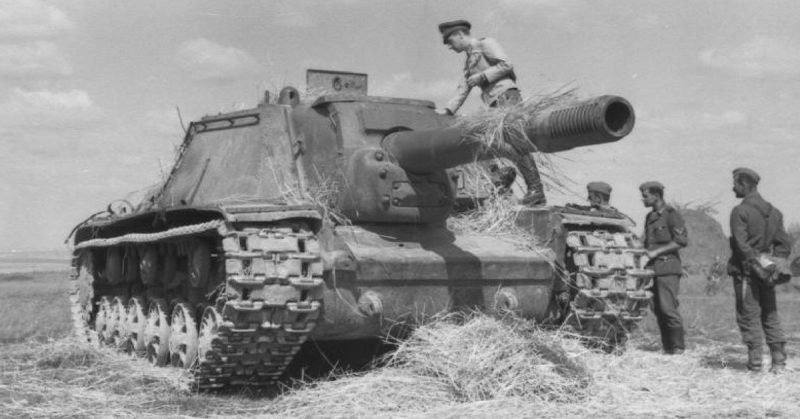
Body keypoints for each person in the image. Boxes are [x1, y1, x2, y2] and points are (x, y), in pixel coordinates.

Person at [436, 19, 546, 206]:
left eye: (450, 41)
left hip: (506, 97)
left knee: (516, 142)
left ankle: (536, 190)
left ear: (460, 35)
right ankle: (507, 179)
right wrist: (447, 111)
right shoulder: (470, 60)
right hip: (495, 103)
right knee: (502, 145)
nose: (449, 47)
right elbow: (463, 89)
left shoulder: (485, 44)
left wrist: (482, 76)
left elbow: (506, 64)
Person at [727, 167, 792, 373]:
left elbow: (741, 244)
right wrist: (773, 265)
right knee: (770, 315)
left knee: (749, 316)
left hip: (747, 272)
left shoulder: (740, 211)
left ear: (744, 185)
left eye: (735, 184)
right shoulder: (775, 213)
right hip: (767, 273)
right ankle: (779, 362)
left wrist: (754, 265)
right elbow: (783, 244)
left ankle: (755, 364)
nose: (733, 188)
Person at [640, 181, 688, 354]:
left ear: (656, 196)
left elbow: (681, 241)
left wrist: (655, 253)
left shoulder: (671, 215)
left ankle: (678, 348)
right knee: (658, 309)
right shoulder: (650, 217)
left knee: (668, 308)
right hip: (653, 269)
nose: (642, 199)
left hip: (668, 268)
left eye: (645, 196)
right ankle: (668, 347)